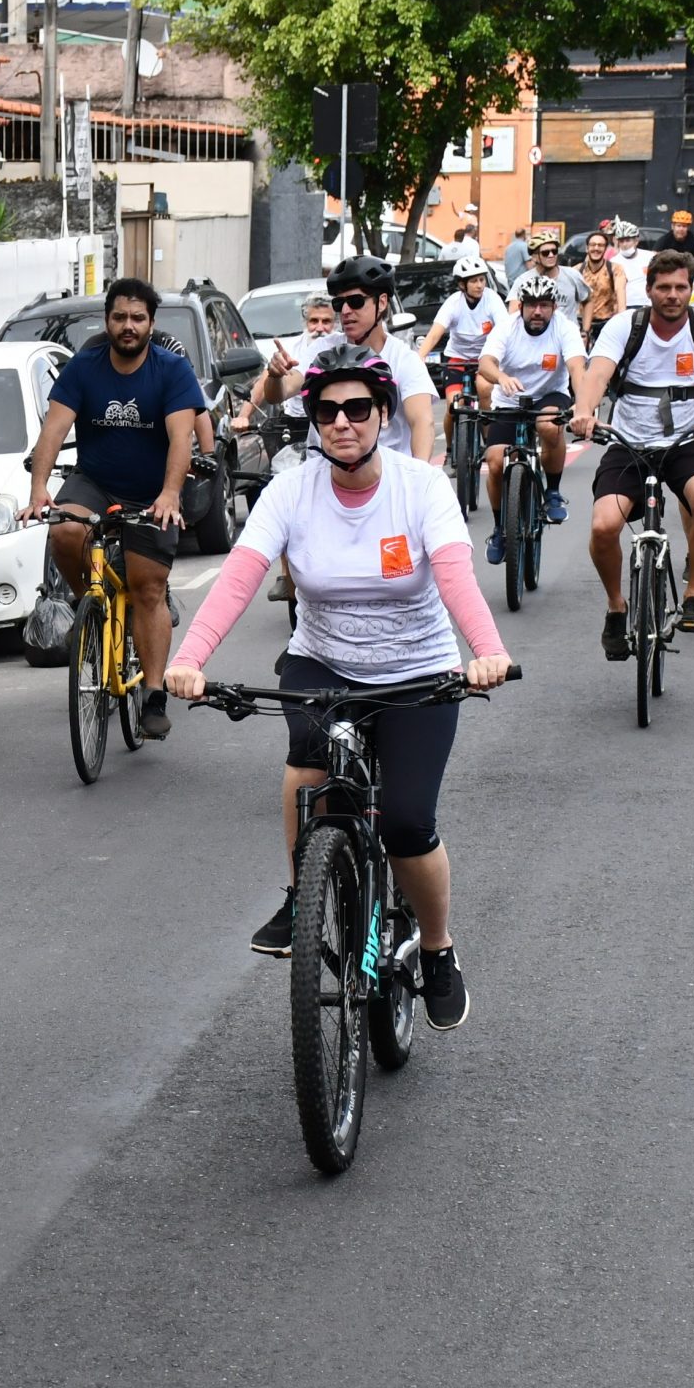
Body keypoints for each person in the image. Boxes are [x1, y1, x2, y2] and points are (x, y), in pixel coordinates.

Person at [163, 340, 511, 1025]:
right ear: (314, 419)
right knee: (308, 761)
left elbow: (454, 577)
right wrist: (190, 657)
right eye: (327, 411)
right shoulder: (293, 490)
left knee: (409, 822)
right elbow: (240, 574)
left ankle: (438, 948)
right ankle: (304, 893)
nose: (342, 422)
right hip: (323, 660)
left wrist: (488, 650)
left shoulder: (421, 487)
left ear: (381, 412)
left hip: (418, 669)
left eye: (357, 408)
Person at [20, 277, 205, 739]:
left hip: (152, 490)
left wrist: (169, 494)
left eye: (137, 318)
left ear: (150, 323)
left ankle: (154, 694)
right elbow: (53, 432)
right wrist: (39, 488)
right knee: (63, 530)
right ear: (107, 320)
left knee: (147, 589)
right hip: (95, 483)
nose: (128, 326)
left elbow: (182, 438)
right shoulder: (84, 367)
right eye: (119, 317)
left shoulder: (171, 370)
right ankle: (93, 607)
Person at [569, 249, 694, 653]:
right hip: (629, 441)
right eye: (663, 287)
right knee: (603, 526)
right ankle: (616, 606)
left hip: (689, 439)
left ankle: (693, 592)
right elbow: (597, 374)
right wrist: (583, 411)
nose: (672, 295)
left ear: (691, 289)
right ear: (648, 290)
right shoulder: (623, 327)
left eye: (681, 287)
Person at [476, 271, 584, 537]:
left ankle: (553, 492)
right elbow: (485, 362)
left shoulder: (565, 328)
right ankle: (500, 528)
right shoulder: (507, 327)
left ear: (554, 307)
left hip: (550, 395)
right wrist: (501, 377)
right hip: (510, 400)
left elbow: (577, 368)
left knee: (548, 426)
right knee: (496, 461)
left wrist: (583, 406)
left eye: (544, 305)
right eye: (532, 305)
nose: (538, 311)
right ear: (521, 306)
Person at [323, 255, 437, 462]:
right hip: (327, 472)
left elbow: (423, 421)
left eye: (356, 302)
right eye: (339, 304)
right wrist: (278, 378)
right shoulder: (323, 349)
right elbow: (286, 386)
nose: (346, 311)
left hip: (389, 477)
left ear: (382, 302)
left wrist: (419, 477)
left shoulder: (404, 359)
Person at [418, 254, 505, 481]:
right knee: (452, 405)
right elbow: (436, 332)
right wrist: (419, 357)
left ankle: (489, 441)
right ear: (462, 284)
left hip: (485, 359)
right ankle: (449, 450)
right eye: (473, 281)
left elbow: (505, 330)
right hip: (456, 358)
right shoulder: (453, 303)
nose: (479, 285)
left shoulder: (492, 299)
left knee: (484, 390)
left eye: (481, 280)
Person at [239, 292, 335, 431]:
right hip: (296, 425)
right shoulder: (291, 348)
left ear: (336, 323)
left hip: (332, 422)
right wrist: (243, 416)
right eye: (314, 321)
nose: (320, 328)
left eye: (326, 321)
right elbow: (263, 383)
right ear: (305, 322)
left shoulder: (342, 346)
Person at [572, 228, 625, 333]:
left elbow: (621, 294)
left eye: (600, 245)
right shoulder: (576, 271)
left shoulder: (615, 269)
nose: (596, 248)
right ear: (587, 248)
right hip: (580, 323)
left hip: (606, 323)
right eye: (592, 245)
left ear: (605, 249)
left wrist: (622, 323)